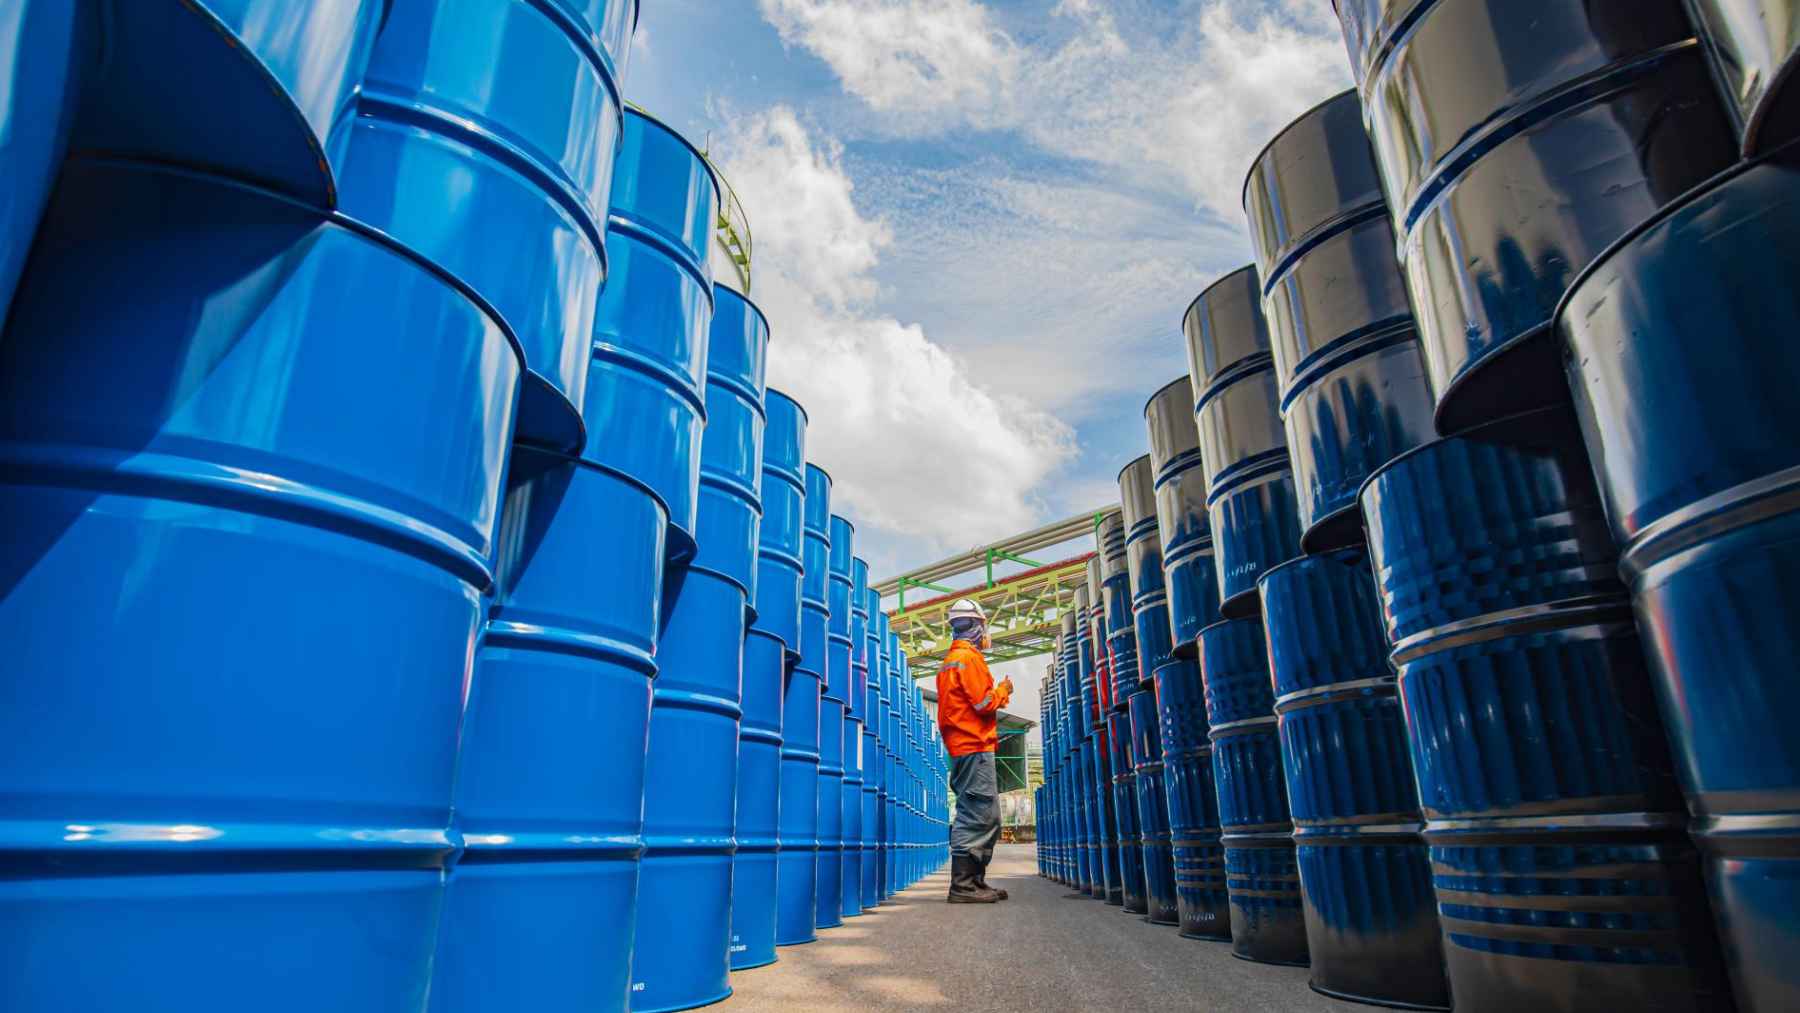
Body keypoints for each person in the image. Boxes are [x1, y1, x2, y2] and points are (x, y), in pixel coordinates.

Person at [935, 599, 1014, 903]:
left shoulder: (951, 662)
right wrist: (1004, 690)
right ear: (977, 626)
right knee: (978, 814)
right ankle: (964, 886)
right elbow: (984, 704)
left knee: (983, 813)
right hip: (973, 744)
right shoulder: (968, 659)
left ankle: (975, 882)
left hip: (964, 745)